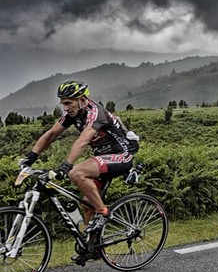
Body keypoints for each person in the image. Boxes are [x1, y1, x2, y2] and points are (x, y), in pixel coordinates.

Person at [19, 81, 139, 234]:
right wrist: (31, 157)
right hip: (103, 158)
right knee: (88, 207)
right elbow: (51, 134)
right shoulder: (73, 114)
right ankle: (93, 249)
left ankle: (104, 213)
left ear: (82, 100)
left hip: (121, 156)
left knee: (76, 173)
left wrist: (66, 165)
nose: (65, 107)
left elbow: (82, 141)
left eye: (69, 103)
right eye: (63, 103)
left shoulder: (96, 113)